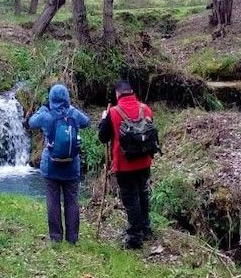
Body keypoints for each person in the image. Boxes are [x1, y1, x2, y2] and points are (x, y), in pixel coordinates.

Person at [28, 84, 90, 244]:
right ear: (67, 98)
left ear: (51, 99)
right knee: (72, 201)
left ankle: (56, 238)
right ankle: (72, 238)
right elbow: (87, 122)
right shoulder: (74, 114)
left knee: (53, 201)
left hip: (51, 166)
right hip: (72, 166)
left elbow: (32, 122)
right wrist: (71, 109)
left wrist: (43, 109)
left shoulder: (47, 116)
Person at [98, 80, 155, 249]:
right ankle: (146, 229)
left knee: (131, 201)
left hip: (125, 165)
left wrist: (103, 120)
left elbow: (102, 137)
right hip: (145, 162)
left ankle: (134, 238)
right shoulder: (145, 109)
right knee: (142, 194)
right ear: (131, 91)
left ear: (118, 94)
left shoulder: (114, 112)